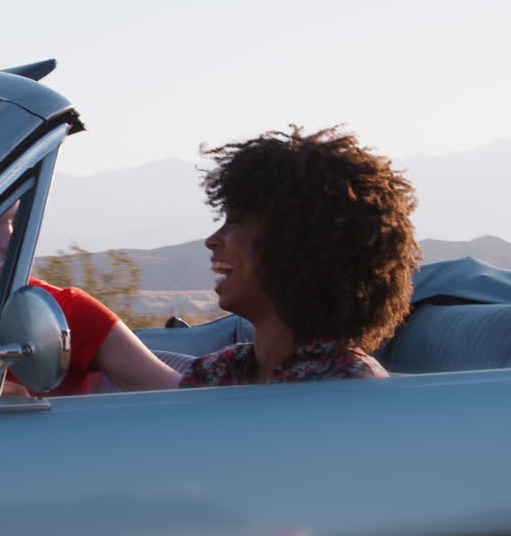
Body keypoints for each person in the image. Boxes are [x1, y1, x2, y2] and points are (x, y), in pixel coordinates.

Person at [172, 125, 420, 387]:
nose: (212, 241)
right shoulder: (218, 372)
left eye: (236, 222)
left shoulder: (349, 387)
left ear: (296, 244)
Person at [0, 203, 177, 396]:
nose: (8, 239)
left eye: (17, 222)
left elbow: (181, 398)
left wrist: (24, 405)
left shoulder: (67, 311)